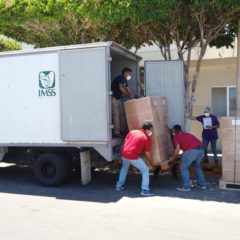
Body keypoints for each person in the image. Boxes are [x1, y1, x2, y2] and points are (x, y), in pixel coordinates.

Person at [116, 122, 154, 196]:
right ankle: (145, 190)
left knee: (124, 168)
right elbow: (147, 154)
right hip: (132, 156)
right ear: (147, 130)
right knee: (145, 170)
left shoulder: (132, 132)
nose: (151, 132)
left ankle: (119, 186)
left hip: (124, 153)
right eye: (150, 130)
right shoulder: (145, 138)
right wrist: (151, 162)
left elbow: (125, 141)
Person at [170, 124, 207, 192]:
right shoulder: (187, 134)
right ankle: (202, 184)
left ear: (174, 131)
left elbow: (177, 149)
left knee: (184, 167)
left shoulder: (176, 136)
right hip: (201, 150)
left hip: (192, 151)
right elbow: (187, 148)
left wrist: (173, 158)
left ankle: (186, 187)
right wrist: (181, 155)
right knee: (197, 166)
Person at [111, 67, 135, 136]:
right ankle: (116, 132)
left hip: (118, 99)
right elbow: (121, 88)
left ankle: (122, 130)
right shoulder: (120, 78)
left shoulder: (124, 79)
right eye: (129, 74)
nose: (129, 76)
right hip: (114, 98)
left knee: (121, 114)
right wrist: (128, 95)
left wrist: (132, 97)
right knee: (116, 115)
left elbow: (128, 88)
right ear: (125, 73)